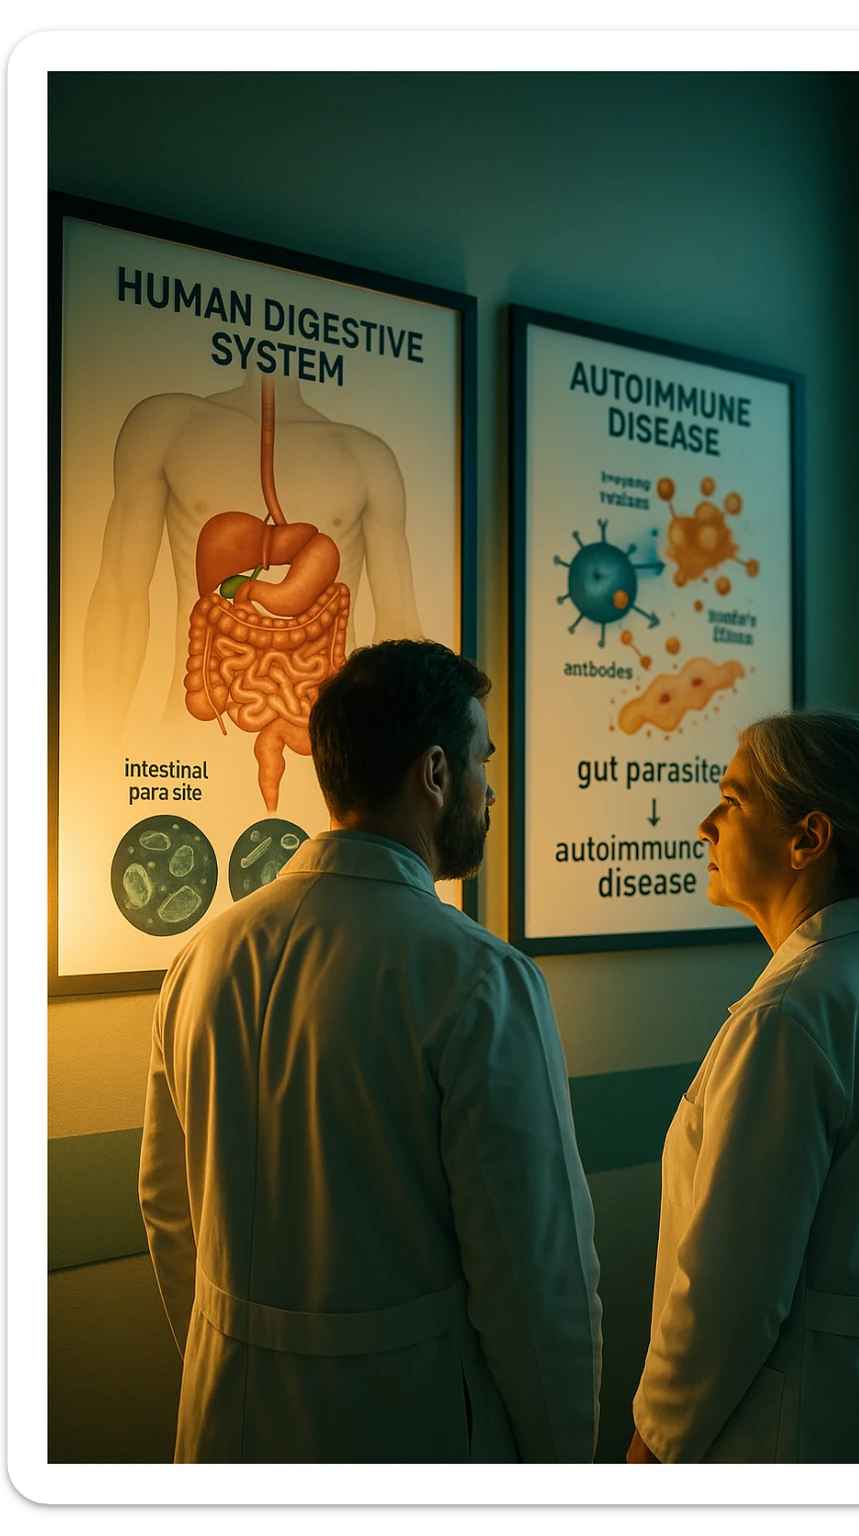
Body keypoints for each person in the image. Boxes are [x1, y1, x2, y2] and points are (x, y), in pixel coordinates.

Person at [139, 639, 602, 1463]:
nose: (489, 790)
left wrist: (234, 1343)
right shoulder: (479, 978)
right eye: (481, 761)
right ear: (433, 774)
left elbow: (170, 1211)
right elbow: (535, 1279)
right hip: (404, 1422)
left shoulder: (201, 958)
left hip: (224, 1415)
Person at [628, 708, 859, 1464]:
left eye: (732, 799)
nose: (704, 827)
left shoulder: (791, 1017)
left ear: (808, 838)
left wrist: (654, 1443)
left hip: (801, 1424)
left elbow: (728, 1297)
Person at [84, 370, 423, 738]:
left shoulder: (368, 458)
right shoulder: (167, 426)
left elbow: (400, 629)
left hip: (331, 747)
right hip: (194, 737)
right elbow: (119, 597)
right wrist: (99, 746)